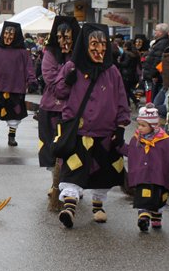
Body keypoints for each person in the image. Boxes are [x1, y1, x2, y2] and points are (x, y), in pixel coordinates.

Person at [53, 23, 130, 229]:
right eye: (94, 44)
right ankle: (69, 207)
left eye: (103, 44)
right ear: (85, 45)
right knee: (73, 171)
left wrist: (121, 127)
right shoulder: (72, 66)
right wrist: (67, 81)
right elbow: (58, 92)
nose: (99, 49)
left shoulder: (112, 71)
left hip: (105, 133)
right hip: (78, 132)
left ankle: (98, 206)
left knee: (102, 174)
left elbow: (122, 100)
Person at [0, 22, 35, 147]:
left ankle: (12, 136)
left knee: (14, 113)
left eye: (11, 35)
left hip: (16, 87)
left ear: (16, 36)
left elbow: (29, 68)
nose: (8, 37)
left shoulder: (23, 52)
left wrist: (32, 81)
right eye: (6, 34)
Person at [118, 104, 169, 232]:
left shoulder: (165, 141)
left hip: (159, 175)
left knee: (159, 197)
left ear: (153, 126)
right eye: (139, 125)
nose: (139, 128)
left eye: (143, 125)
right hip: (142, 175)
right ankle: (143, 217)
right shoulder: (136, 140)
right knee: (143, 196)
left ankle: (156, 216)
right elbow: (129, 151)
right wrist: (117, 144)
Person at [38, 16, 80, 170]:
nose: (63, 41)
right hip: (52, 108)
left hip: (75, 109)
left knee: (75, 150)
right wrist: (69, 70)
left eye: (67, 37)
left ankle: (71, 183)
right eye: (59, 37)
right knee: (52, 148)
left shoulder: (81, 54)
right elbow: (54, 84)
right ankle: (55, 182)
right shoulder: (50, 54)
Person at [142, 24, 169, 101]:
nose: (155, 32)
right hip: (155, 76)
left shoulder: (162, 43)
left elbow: (157, 60)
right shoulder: (160, 42)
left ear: (161, 32)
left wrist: (154, 74)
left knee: (156, 100)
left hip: (156, 77)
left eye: (156, 30)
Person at [117, 39, 141, 109]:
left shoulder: (127, 54)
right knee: (128, 90)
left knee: (126, 90)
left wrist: (118, 63)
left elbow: (125, 64)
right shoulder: (135, 54)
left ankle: (129, 105)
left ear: (126, 47)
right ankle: (135, 103)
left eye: (124, 47)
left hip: (125, 74)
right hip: (132, 74)